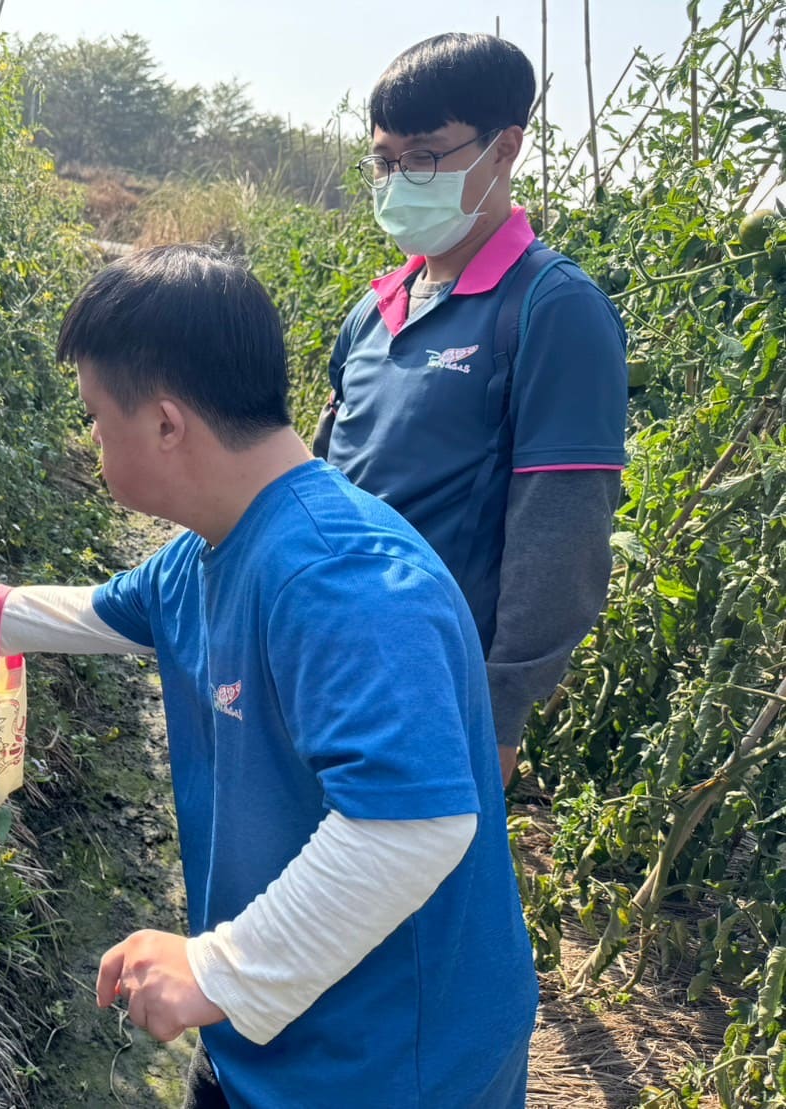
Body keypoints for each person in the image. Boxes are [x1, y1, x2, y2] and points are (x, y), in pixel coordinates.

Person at [0, 245, 537, 1108]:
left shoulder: (344, 578)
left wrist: (214, 966)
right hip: (271, 1034)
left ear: (164, 423)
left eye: (94, 419)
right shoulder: (207, 554)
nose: (92, 442)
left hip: (393, 1062)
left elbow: (411, 825)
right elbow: (100, 613)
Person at [315, 33, 629, 784]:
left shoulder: (550, 308)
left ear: (503, 149)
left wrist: (498, 712)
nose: (397, 179)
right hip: (322, 657)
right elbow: (324, 472)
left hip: (435, 690)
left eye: (422, 155)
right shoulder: (376, 306)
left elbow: (561, 525)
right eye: (384, 160)